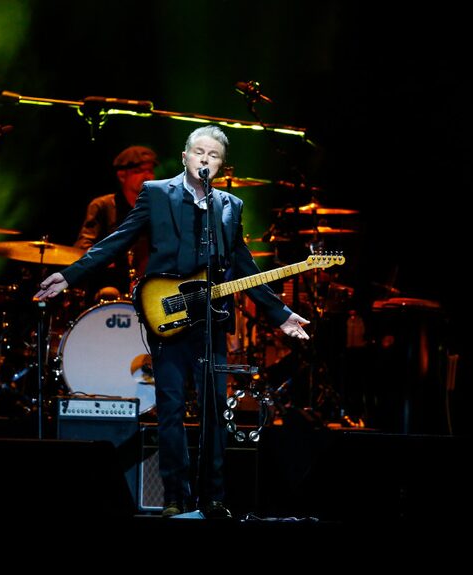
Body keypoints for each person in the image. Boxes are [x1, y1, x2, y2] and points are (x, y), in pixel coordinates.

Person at [36, 125, 310, 519]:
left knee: (215, 411)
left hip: (211, 319)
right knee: (171, 408)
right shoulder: (157, 193)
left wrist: (279, 313)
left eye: (213, 155)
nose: (204, 159)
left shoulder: (229, 205)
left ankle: (213, 499)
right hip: (167, 313)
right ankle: (174, 498)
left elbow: (242, 264)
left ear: (221, 165)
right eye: (198, 152)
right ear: (184, 156)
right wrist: (71, 274)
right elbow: (119, 239)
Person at [73, 145, 158, 303]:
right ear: (122, 176)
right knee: (108, 292)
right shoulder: (102, 206)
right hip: (107, 290)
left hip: (147, 289)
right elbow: (82, 245)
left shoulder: (157, 210)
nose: (148, 176)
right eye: (139, 171)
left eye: (150, 171)